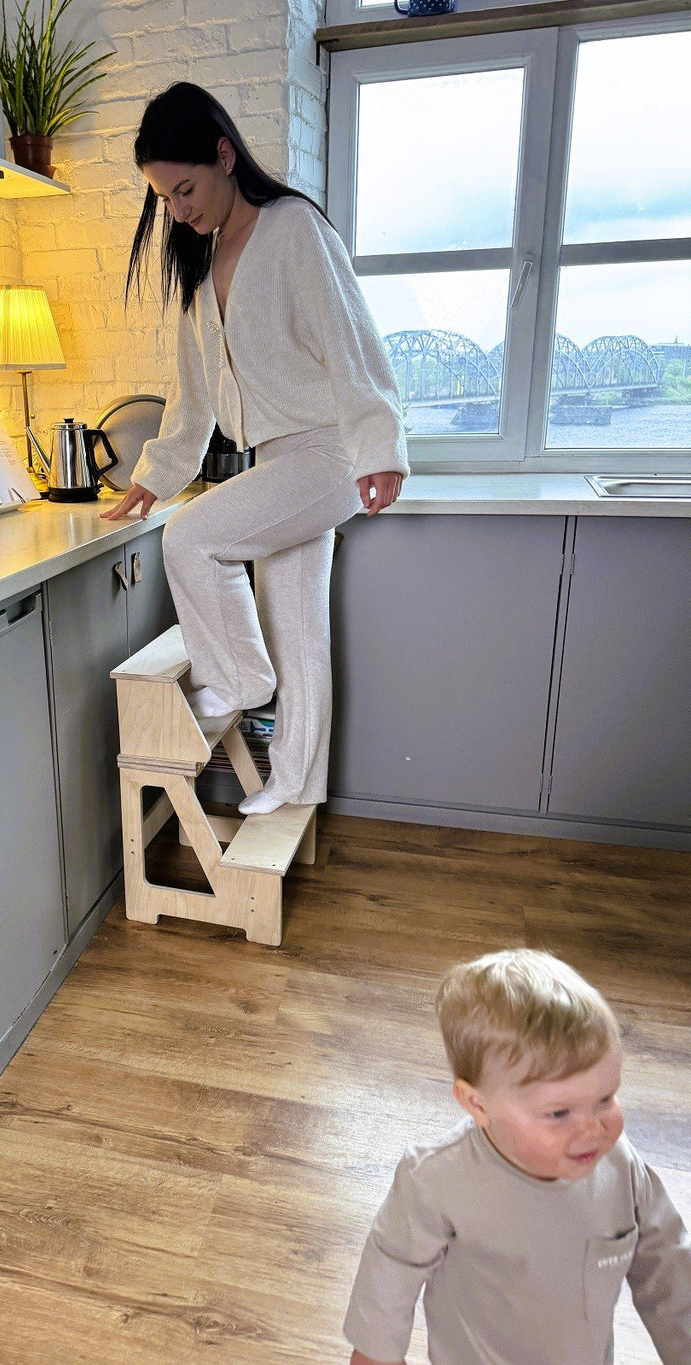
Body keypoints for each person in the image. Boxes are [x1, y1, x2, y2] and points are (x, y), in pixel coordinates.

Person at [101, 82, 408, 816]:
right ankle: (296, 784)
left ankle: (238, 677)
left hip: (328, 453)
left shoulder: (292, 228)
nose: (179, 209)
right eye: (166, 199)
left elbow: (351, 342)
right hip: (279, 462)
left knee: (192, 534)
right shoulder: (202, 274)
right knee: (301, 628)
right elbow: (193, 399)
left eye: (186, 188)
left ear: (224, 155)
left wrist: (378, 447)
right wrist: (154, 476)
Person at [343, 948, 691, 1365]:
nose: (593, 1128)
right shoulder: (435, 1181)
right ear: (478, 1105)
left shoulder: (621, 1165)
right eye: (559, 1112)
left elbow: (669, 1271)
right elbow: (384, 1294)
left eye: (605, 1098)